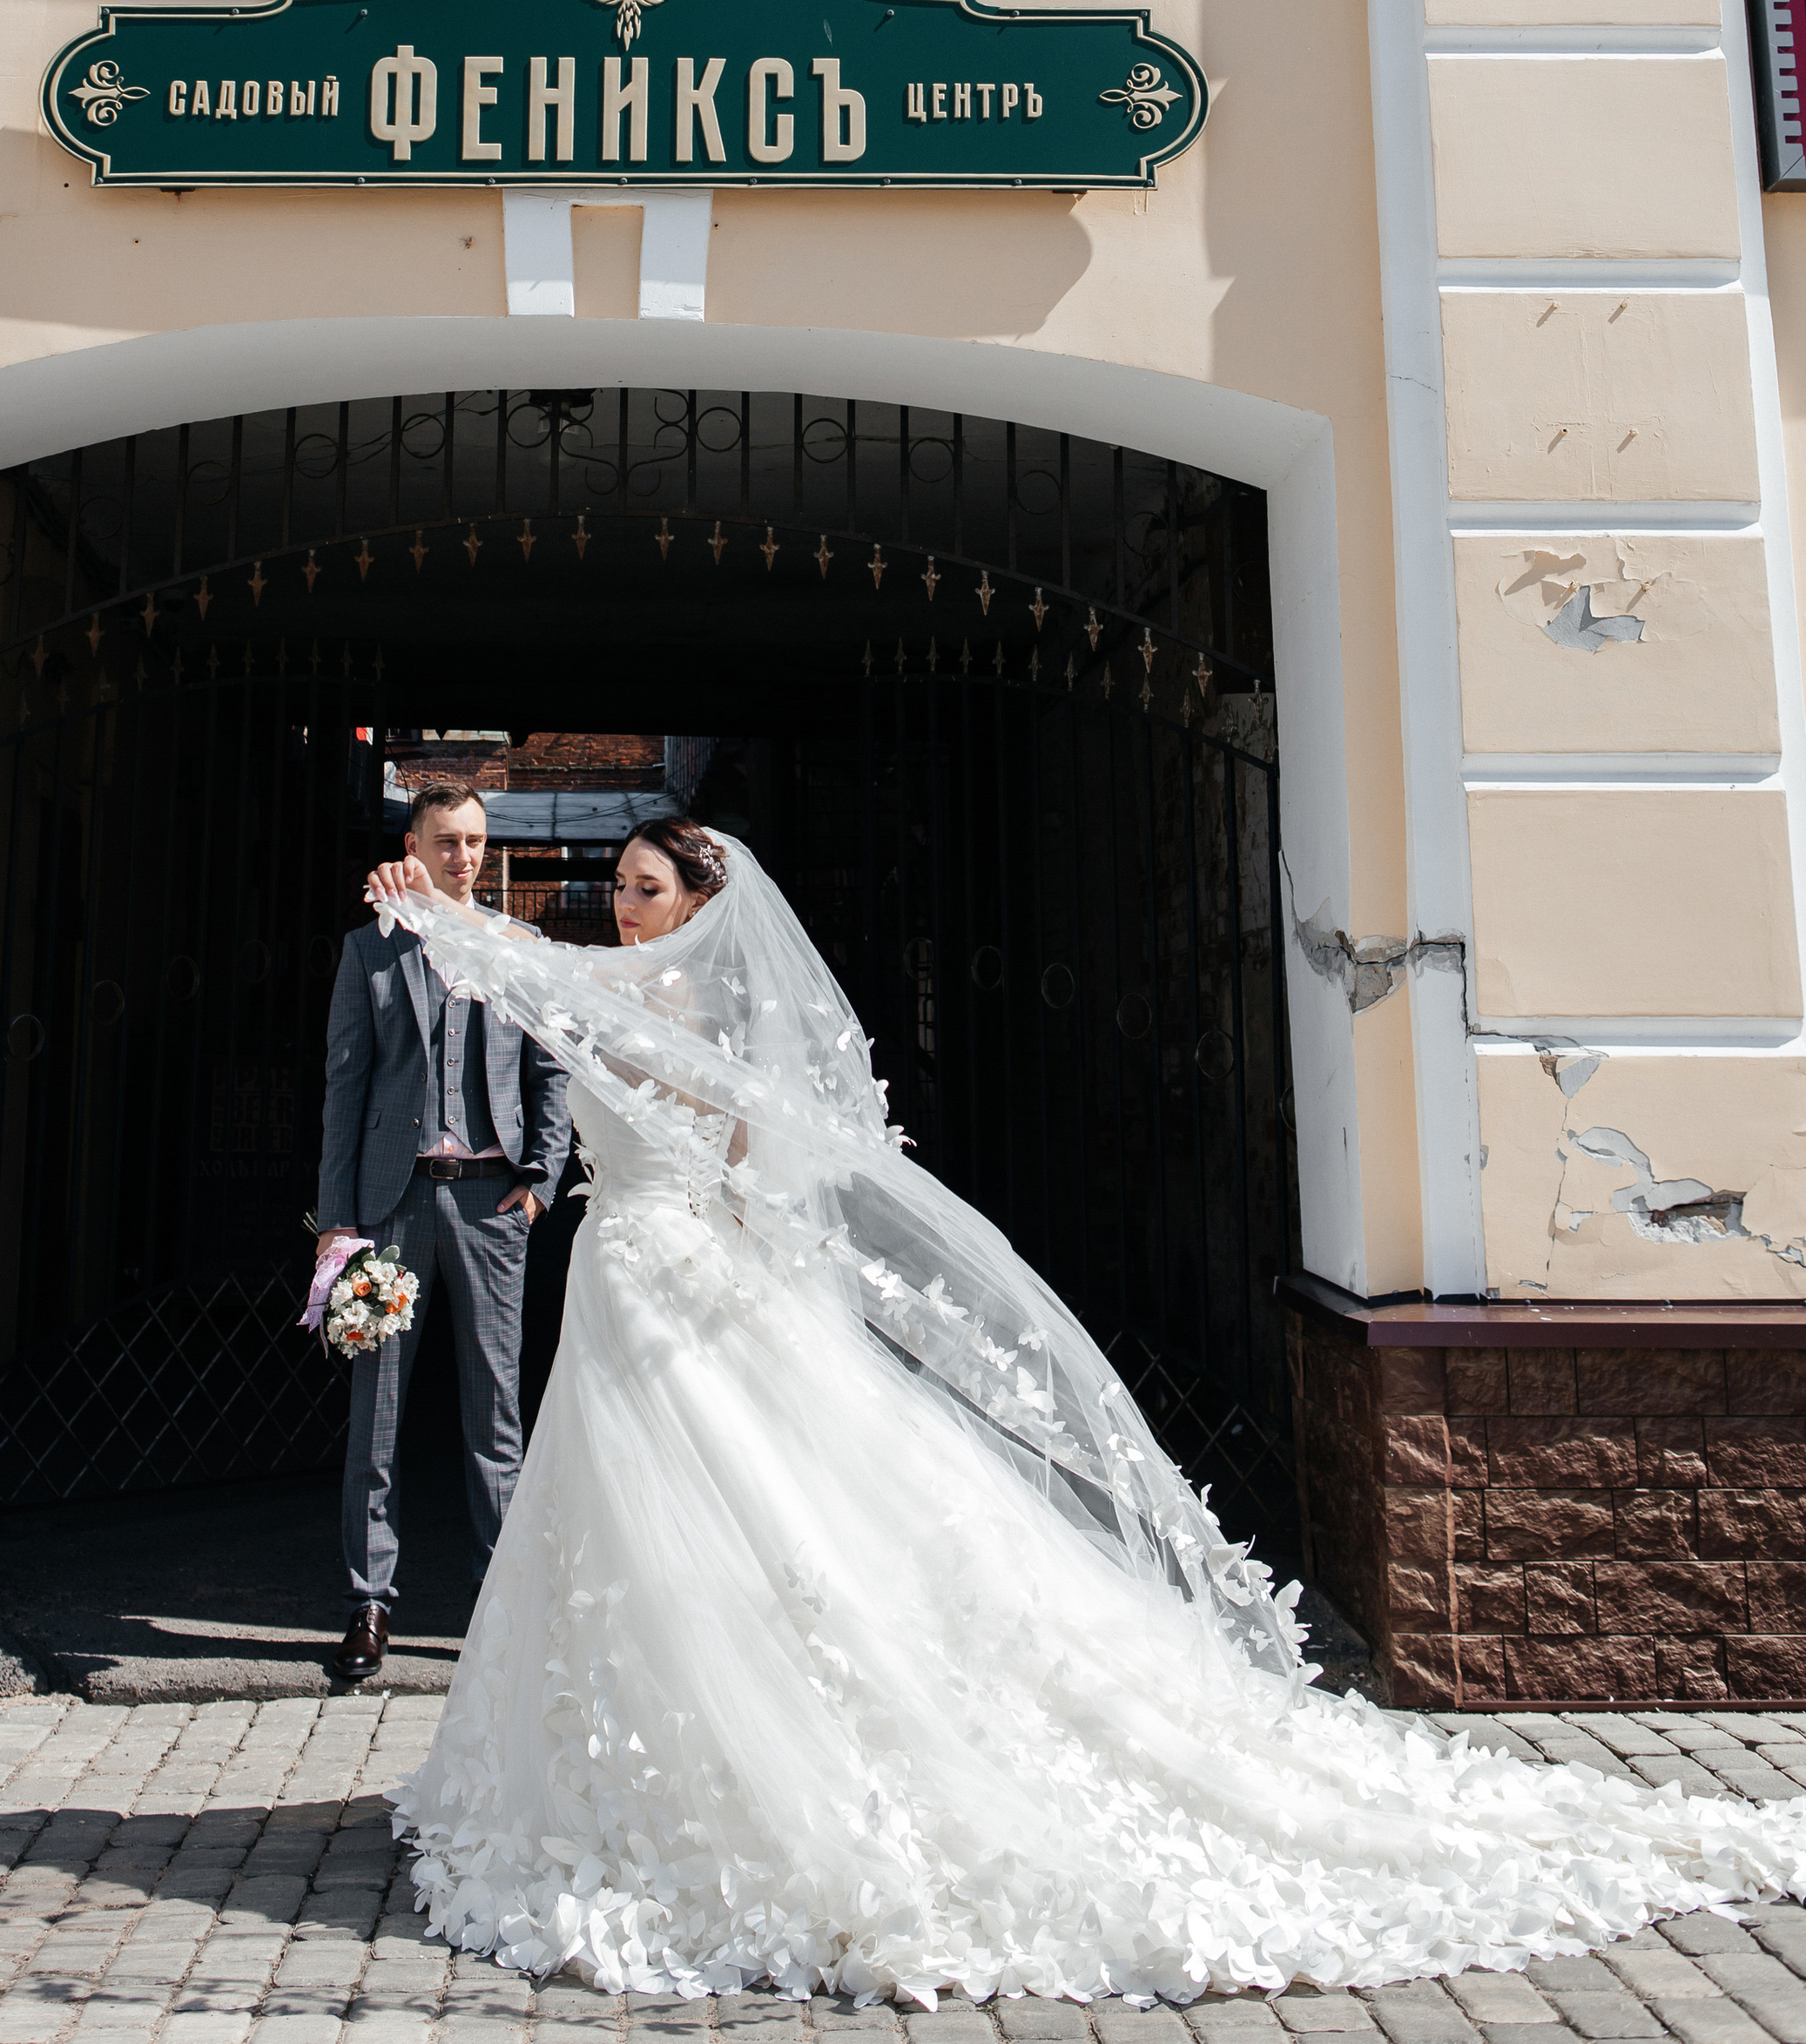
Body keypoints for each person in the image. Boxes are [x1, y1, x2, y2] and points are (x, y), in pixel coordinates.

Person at [362, 815, 1806, 2009]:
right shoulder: (610, 984)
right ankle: (607, 1766)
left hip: (683, 1283)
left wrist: (742, 1259)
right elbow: (524, 976)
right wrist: (437, 911)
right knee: (620, 1522)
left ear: (705, 903)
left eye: (648, 890)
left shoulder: (696, 1010)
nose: (624, 911)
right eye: (618, 891)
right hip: (617, 1277)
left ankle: (756, 1777)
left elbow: (737, 1146)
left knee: (733, 1515)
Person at [314, 783, 573, 1690]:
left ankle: (497, 1602)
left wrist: (541, 1180)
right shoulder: (372, 947)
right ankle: (369, 1604)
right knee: (375, 1415)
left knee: (493, 1409)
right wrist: (338, 1222)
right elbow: (344, 1088)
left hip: (491, 1204)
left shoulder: (521, 948)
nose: (462, 857)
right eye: (444, 841)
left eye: (473, 842)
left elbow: (552, 1071)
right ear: (412, 845)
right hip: (393, 1206)